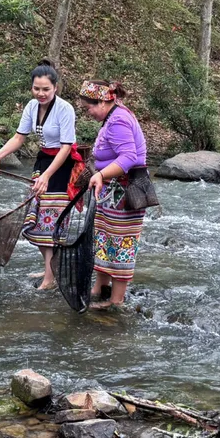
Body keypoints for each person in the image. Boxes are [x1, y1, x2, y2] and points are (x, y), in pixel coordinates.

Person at [0, 62, 84, 289]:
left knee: (51, 221)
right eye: (36, 89)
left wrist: (47, 176)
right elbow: (19, 137)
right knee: (37, 218)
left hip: (61, 166)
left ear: (55, 88)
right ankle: (48, 267)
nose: (40, 94)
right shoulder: (31, 106)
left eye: (46, 89)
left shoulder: (65, 109)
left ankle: (50, 278)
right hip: (42, 161)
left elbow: (67, 147)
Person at [78, 79, 147, 309]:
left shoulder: (118, 119)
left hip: (126, 192)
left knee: (121, 242)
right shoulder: (111, 117)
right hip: (111, 190)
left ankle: (116, 300)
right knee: (104, 238)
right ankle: (99, 287)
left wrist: (99, 175)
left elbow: (128, 157)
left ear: (102, 102)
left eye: (89, 108)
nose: (88, 113)